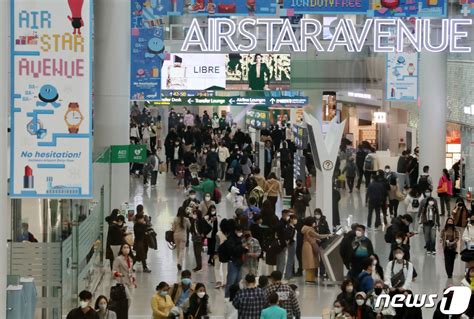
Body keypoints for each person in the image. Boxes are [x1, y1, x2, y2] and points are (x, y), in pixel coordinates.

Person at [301, 216, 332, 283]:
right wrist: (328, 235)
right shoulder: (309, 229)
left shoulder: (306, 229)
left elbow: (310, 237)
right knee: (310, 264)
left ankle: (311, 279)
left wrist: (316, 239)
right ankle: (309, 279)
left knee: (311, 263)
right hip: (309, 247)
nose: (315, 223)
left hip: (307, 245)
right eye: (314, 222)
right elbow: (318, 235)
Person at [225, 224, 248, 298]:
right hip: (233, 262)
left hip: (240, 262)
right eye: (239, 231)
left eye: (241, 231)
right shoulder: (230, 239)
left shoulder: (242, 239)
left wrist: (245, 248)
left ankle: (236, 296)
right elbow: (233, 250)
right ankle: (228, 297)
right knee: (231, 281)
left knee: (238, 281)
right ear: (235, 231)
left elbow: (243, 250)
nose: (240, 233)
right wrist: (242, 247)